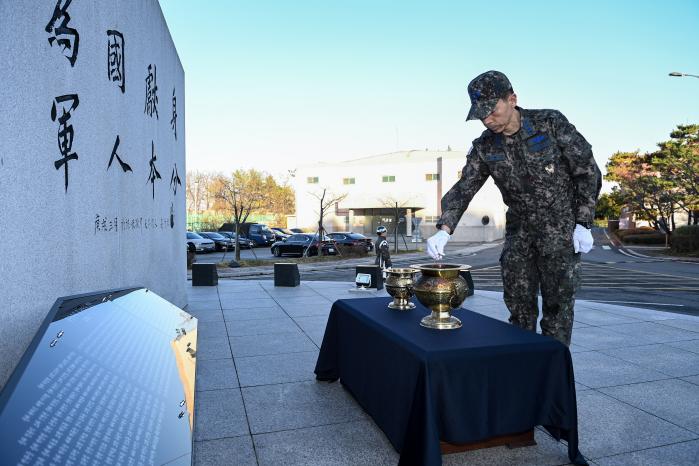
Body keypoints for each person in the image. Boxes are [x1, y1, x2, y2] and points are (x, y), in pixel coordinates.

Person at [426, 70, 601, 346]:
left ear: (512, 99)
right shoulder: (484, 145)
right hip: (520, 233)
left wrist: (583, 222)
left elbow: (587, 171)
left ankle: (552, 377)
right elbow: (465, 187)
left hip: (561, 232)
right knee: (519, 309)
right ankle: (523, 372)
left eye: (492, 110)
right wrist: (444, 230)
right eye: (480, 114)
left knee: (558, 311)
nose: (487, 119)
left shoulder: (550, 123)